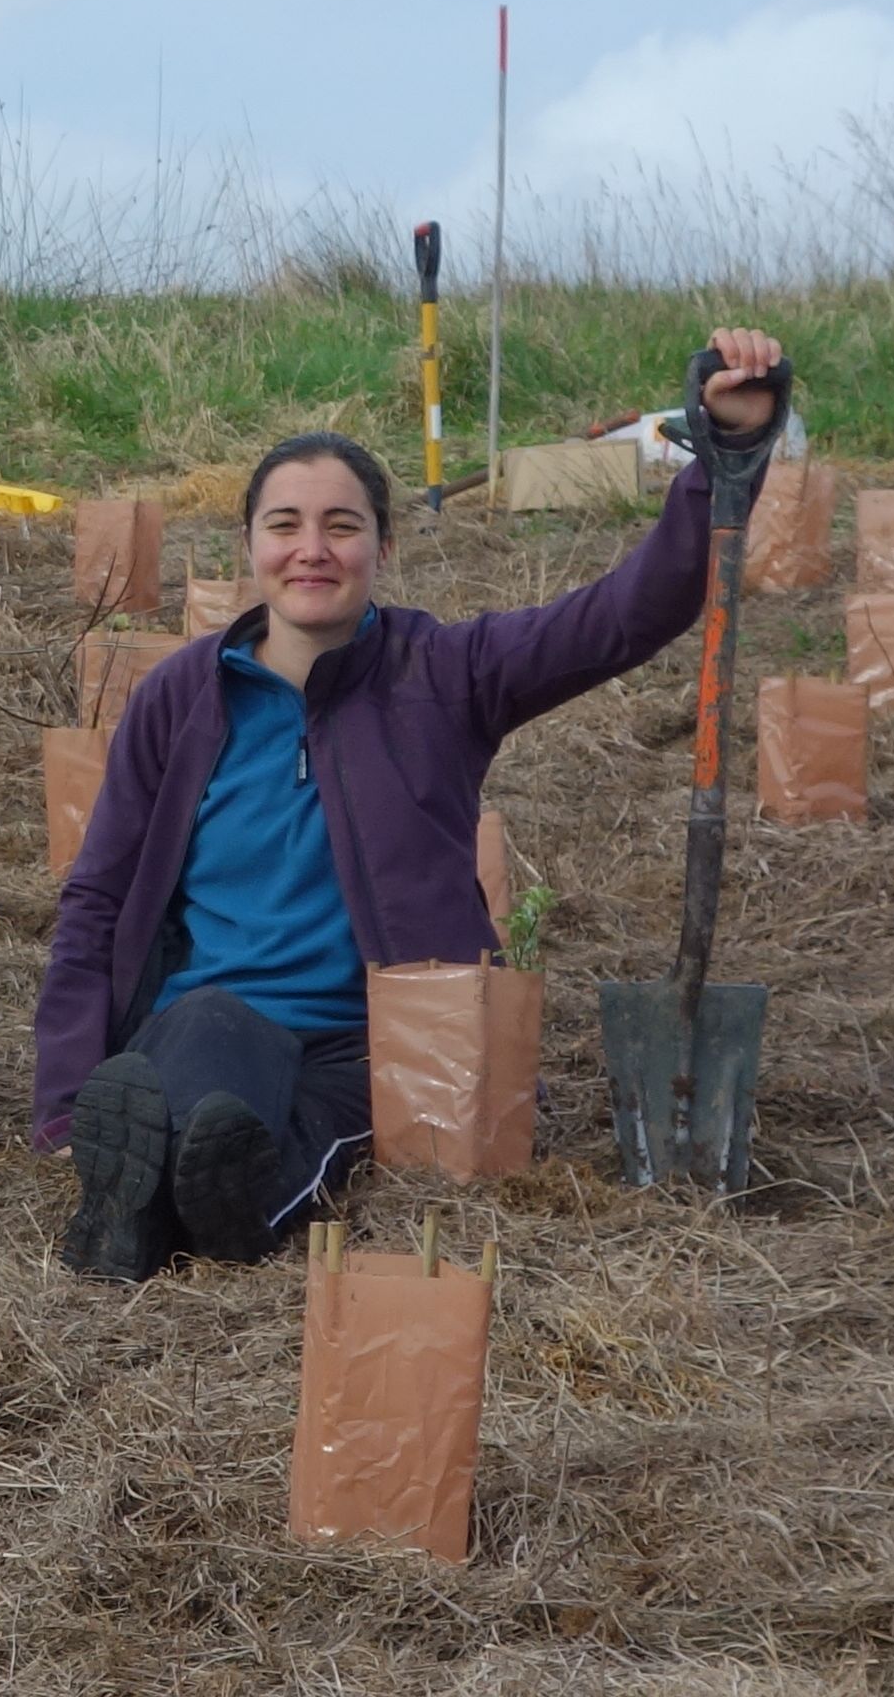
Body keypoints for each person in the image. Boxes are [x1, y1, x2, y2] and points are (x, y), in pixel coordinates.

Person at [40, 329, 791, 1280]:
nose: (311, 550)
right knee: (203, 1059)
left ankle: (160, 1218)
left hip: (379, 1042)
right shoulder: (179, 698)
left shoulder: (446, 672)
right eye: (283, 525)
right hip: (217, 1022)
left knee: (325, 1129)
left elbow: (629, 612)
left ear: (382, 546)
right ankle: (182, 1199)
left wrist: (723, 456)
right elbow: (97, 896)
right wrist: (64, 1096)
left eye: (341, 526)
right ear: (247, 544)